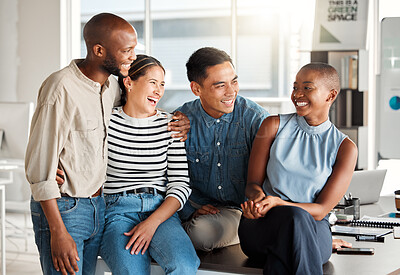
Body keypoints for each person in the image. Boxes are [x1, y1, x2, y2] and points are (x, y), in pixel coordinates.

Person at [25, 13, 188, 275]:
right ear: (98, 50)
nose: (133, 57)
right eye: (126, 50)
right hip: (65, 208)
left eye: (135, 49)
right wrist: (57, 231)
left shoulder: (111, 87)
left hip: (97, 208)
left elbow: (137, 112)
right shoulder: (60, 88)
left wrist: (180, 119)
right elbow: (39, 166)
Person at [238, 62, 358, 274]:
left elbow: (321, 211)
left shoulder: (345, 148)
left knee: (295, 222)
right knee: (293, 224)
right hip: (263, 225)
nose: (297, 94)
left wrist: (279, 203)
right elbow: (252, 184)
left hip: (313, 227)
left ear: (330, 96)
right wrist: (257, 201)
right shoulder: (272, 126)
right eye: (295, 87)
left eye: (307, 87)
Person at [99, 55, 199, 274]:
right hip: (117, 212)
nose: (158, 90)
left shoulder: (171, 125)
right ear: (128, 82)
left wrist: (152, 223)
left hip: (160, 210)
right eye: (153, 82)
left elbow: (180, 184)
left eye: (162, 84)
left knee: (184, 265)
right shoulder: (106, 122)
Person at [177, 47, 269, 251]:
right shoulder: (182, 119)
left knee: (201, 233)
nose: (231, 92)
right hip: (196, 209)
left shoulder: (256, 119)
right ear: (196, 89)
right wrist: (191, 210)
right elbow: (168, 176)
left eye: (234, 81)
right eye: (220, 85)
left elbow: (274, 179)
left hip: (240, 212)